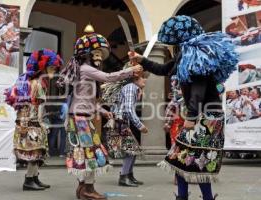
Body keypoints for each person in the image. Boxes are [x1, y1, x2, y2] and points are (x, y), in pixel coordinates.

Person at [129, 15, 238, 200]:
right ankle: (184, 196)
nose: (173, 47)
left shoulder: (197, 57)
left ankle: (203, 197)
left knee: (198, 160)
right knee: (181, 158)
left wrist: (191, 116)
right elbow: (163, 69)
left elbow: (198, 88)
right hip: (201, 115)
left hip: (208, 116)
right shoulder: (183, 56)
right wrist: (142, 60)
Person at [57, 32, 142, 200]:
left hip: (80, 117)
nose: (99, 58)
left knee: (86, 153)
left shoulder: (84, 70)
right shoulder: (86, 69)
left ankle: (83, 188)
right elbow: (109, 77)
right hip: (80, 119)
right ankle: (88, 189)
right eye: (96, 54)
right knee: (92, 153)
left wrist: (103, 111)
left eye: (100, 55)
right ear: (86, 54)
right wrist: (130, 70)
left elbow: (88, 100)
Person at [5, 49, 63, 191]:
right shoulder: (37, 83)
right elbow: (36, 106)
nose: (53, 71)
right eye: (51, 67)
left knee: (37, 152)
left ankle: (34, 177)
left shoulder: (31, 81)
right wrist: (40, 123)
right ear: (41, 67)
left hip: (28, 122)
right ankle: (29, 180)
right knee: (34, 152)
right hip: (32, 123)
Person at [103, 63, 148, 187]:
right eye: (144, 77)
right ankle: (124, 177)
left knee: (132, 149)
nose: (145, 80)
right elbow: (128, 109)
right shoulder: (131, 87)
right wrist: (139, 125)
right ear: (136, 78)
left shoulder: (132, 87)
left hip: (120, 121)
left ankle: (128, 175)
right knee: (131, 150)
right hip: (120, 121)